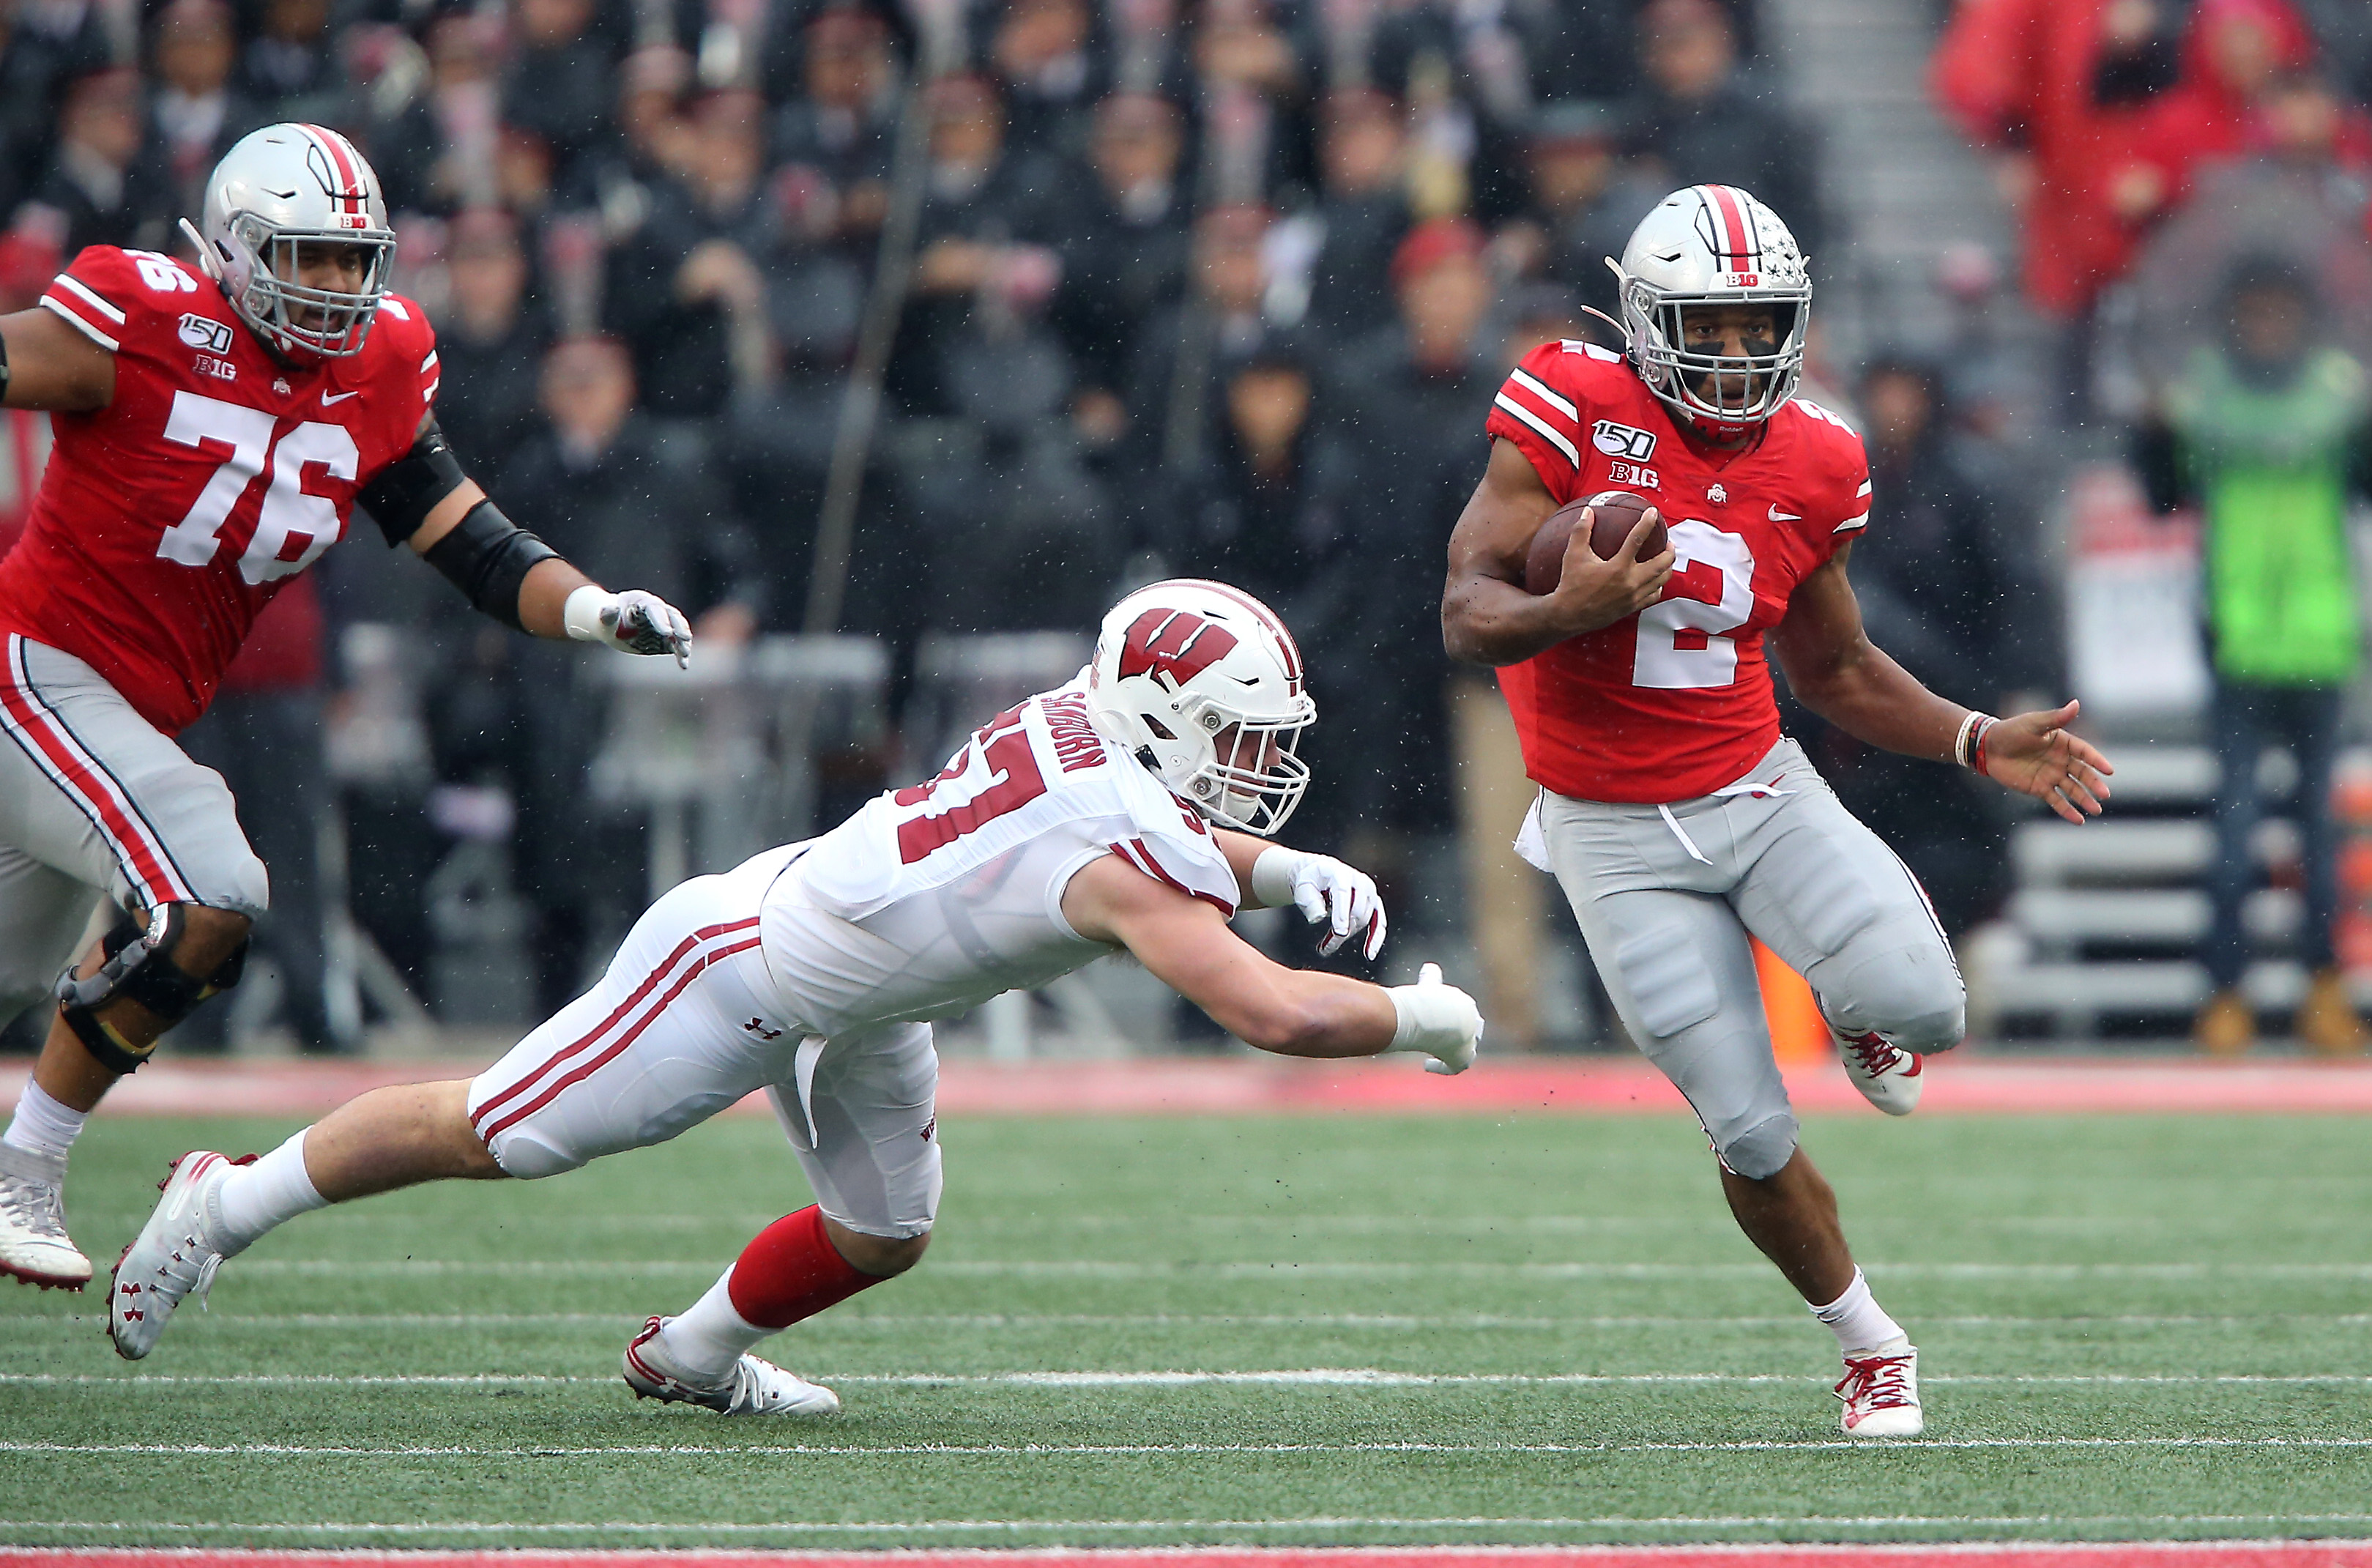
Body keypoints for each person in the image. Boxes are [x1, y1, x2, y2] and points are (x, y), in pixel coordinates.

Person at [105, 579, 1487, 1408]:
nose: (1250, 767)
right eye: (1234, 740)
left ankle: (689, 1359)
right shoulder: (1115, 847)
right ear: (1157, 715)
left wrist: (1278, 860)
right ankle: (222, 1199)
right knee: (499, 1131)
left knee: (884, 1229)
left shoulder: (1092, 730)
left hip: (863, 986)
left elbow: (1160, 841)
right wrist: (1425, 1016)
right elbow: (1274, 1012)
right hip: (736, 970)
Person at [1440, 185, 2116, 1438]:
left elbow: (1837, 669)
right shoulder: (1567, 400)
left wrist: (1972, 736)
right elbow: (1464, 607)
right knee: (1748, 1131)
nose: (1739, 353)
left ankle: (1865, 1016)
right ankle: (1870, 1345)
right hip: (1605, 828)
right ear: (1643, 321)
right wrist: (1559, 616)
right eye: (1710, 324)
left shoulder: (1818, 456)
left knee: (1930, 1009)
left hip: (1754, 785)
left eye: (1760, 326)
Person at [0, 124, 698, 1292]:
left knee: (16, 975)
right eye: (306, 258)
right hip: (39, 675)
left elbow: (468, 541)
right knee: (214, 891)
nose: (334, 287)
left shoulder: (380, 364)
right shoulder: (147, 314)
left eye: (350, 260)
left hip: (128, 716)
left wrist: (594, 612)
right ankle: (27, 1170)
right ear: (229, 247)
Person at [2134, 255, 2372, 1057]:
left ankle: (2321, 987)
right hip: (2235, 640)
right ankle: (2225, 992)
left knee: (2314, 832)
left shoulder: (2339, 396)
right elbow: (2162, 492)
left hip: (2318, 638)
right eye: (2255, 312)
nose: (2268, 326)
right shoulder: (2203, 399)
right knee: (2234, 832)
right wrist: (2154, 429)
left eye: (2280, 312)